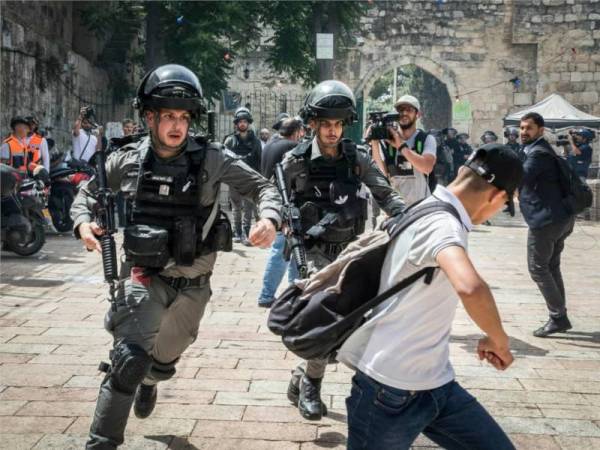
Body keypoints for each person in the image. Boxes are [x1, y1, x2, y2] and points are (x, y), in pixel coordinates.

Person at [71, 64, 281, 450]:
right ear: (150, 116)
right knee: (128, 360)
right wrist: (83, 223)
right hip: (143, 276)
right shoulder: (128, 159)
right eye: (167, 115)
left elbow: (263, 187)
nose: (176, 125)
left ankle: (150, 380)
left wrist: (269, 217)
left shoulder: (212, 159)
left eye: (183, 117)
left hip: (194, 284)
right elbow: (86, 194)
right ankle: (102, 441)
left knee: (162, 363)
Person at [339, 144, 524, 450]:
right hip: (390, 392)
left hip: (435, 384)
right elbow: (470, 287)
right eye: (504, 205)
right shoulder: (444, 225)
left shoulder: (427, 206)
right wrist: (499, 340)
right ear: (495, 197)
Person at [283, 80, 406, 421]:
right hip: (312, 251)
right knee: (325, 318)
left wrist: (407, 216)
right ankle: (312, 386)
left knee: (349, 326)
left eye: (338, 124)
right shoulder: (295, 161)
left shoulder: (357, 158)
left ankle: (300, 377)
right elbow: (281, 202)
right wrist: (279, 219)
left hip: (350, 249)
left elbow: (384, 192)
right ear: (313, 124)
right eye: (326, 124)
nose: (333, 131)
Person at [518, 112, 576, 337]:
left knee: (538, 268)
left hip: (546, 220)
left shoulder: (538, 153)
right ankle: (558, 313)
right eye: (522, 128)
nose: (523, 132)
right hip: (560, 217)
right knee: (551, 266)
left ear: (540, 130)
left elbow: (522, 177)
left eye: (528, 128)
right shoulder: (540, 150)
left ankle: (558, 317)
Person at [257, 117, 305, 307]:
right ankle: (267, 295)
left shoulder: (270, 143)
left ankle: (294, 291)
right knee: (282, 250)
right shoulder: (289, 147)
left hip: (272, 200)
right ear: (296, 132)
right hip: (284, 202)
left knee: (293, 249)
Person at [370, 94, 437, 206]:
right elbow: (382, 173)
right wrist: (374, 143)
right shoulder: (388, 141)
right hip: (397, 208)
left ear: (418, 114)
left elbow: (427, 167)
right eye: (400, 110)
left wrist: (401, 146)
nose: (404, 113)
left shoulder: (426, 139)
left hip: (422, 207)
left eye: (409, 110)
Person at [224, 106, 263, 244]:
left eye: (245, 121)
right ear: (236, 123)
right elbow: (224, 160)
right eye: (240, 121)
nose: (242, 123)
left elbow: (260, 160)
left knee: (248, 207)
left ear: (248, 123)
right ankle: (237, 232)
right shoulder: (230, 141)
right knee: (236, 207)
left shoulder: (256, 142)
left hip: (250, 178)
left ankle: (246, 233)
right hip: (234, 179)